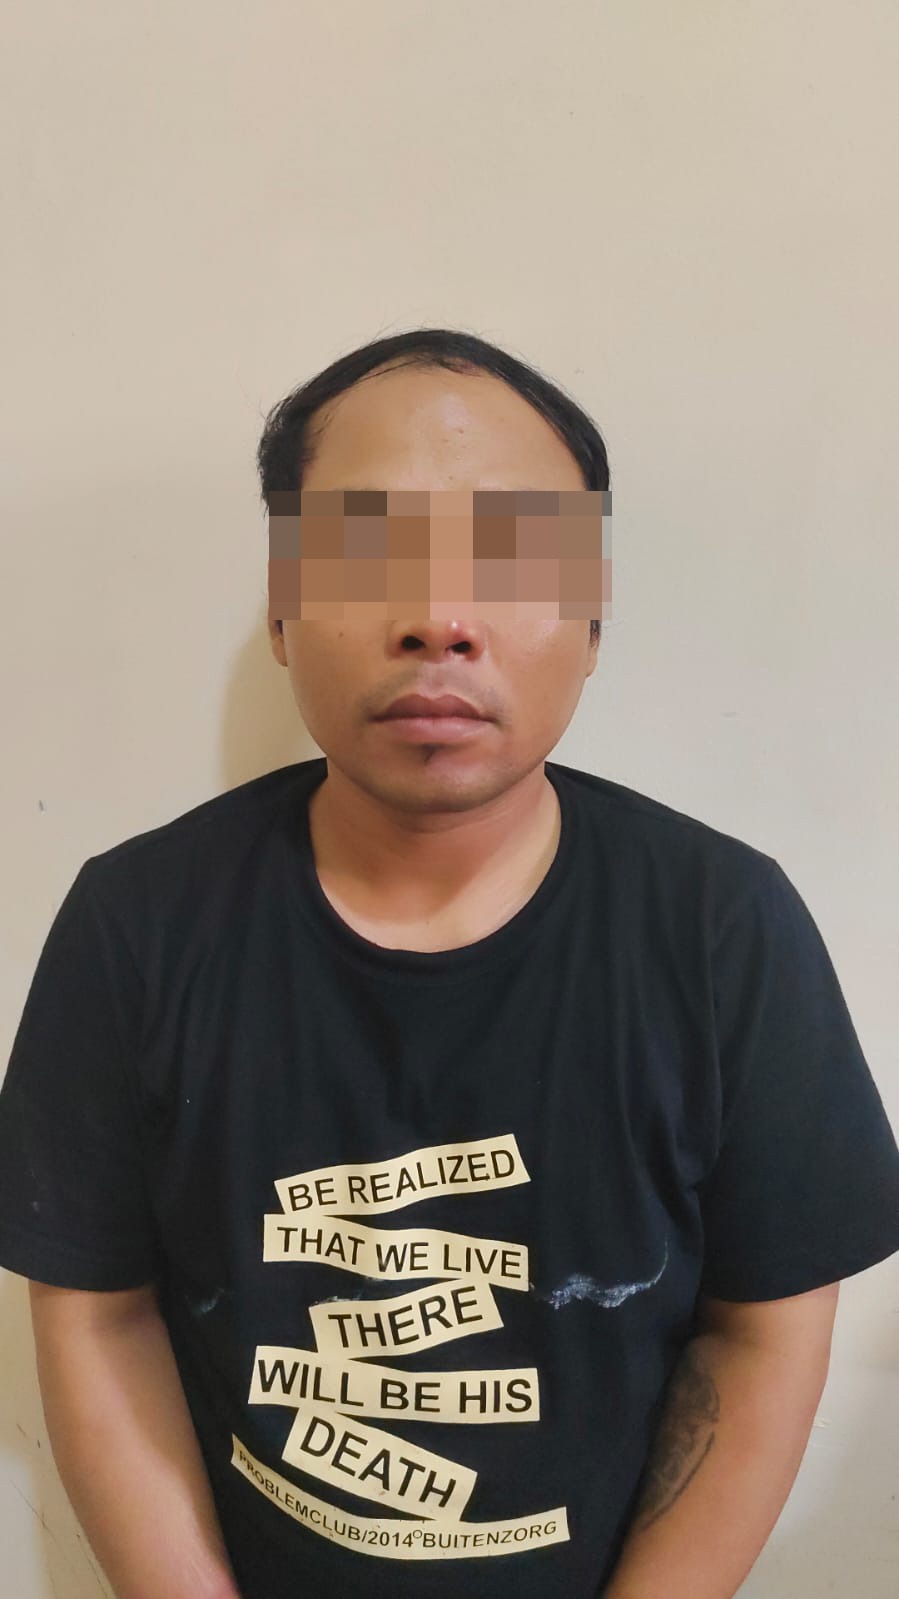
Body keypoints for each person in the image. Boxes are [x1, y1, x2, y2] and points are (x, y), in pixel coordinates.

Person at [1, 328, 897, 1599]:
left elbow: (762, 1335)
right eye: (364, 551)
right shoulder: (137, 923)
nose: (438, 620)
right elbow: (96, 1309)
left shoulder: (720, 929)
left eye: (511, 556)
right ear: (281, 607)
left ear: (591, 619)